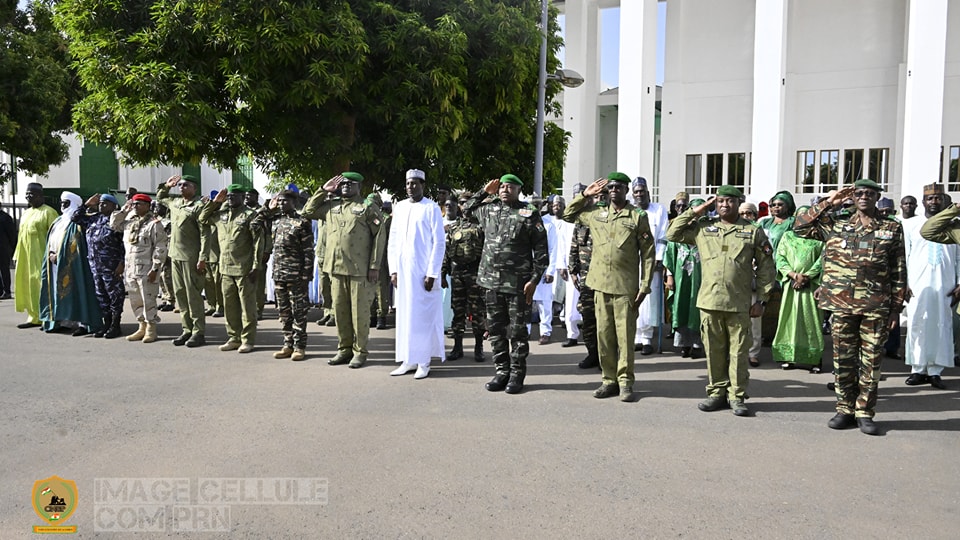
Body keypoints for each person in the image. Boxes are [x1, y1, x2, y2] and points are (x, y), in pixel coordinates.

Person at [794, 180, 906, 436]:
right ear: (852, 197)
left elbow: (898, 269)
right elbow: (800, 226)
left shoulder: (891, 227)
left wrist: (896, 308)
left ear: (877, 197)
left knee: (871, 361)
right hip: (841, 303)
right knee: (842, 360)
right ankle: (844, 408)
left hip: (875, 305)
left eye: (870, 193)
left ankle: (864, 411)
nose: (864, 196)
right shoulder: (837, 223)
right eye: (859, 193)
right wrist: (829, 202)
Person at [666, 185, 776, 417]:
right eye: (720, 201)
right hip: (709, 301)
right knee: (714, 351)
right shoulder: (703, 228)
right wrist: (697, 210)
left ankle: (736, 396)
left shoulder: (753, 231)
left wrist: (762, 300)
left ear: (739, 203)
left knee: (738, 353)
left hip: (739, 303)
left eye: (730, 201)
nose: (725, 205)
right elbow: (672, 234)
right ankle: (716, 393)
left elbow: (766, 267)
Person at [563, 173, 655, 402]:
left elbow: (648, 253)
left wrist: (645, 285)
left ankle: (625, 382)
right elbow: (568, 215)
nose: (614, 190)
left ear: (626, 190)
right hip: (600, 285)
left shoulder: (637, 216)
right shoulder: (596, 214)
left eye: (619, 187)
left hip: (625, 287)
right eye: (611, 187)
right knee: (604, 336)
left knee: (625, 338)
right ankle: (608, 380)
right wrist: (585, 195)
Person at [462, 174, 548, 394]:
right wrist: (484, 192)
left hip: (518, 285)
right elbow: (466, 210)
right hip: (491, 283)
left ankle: (517, 375)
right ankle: (501, 372)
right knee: (495, 331)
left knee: (518, 333)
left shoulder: (528, 213)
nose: (505, 190)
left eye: (510, 187)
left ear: (519, 190)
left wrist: (534, 280)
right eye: (502, 187)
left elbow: (541, 251)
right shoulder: (489, 209)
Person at [301, 172, 386, 368]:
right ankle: (344, 349)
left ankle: (360, 351)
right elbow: (307, 211)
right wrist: (323, 190)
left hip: (359, 270)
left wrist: (374, 266)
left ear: (359, 187)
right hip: (336, 268)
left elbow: (379, 236)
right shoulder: (332, 205)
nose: (346, 186)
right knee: (340, 312)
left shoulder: (367, 207)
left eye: (351, 184)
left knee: (359, 314)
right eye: (343, 184)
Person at [388, 169, 446, 379]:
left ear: (423, 185)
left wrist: (432, 273)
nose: (411, 187)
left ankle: (423, 361)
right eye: (408, 184)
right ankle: (408, 359)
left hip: (423, 273)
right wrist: (393, 270)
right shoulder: (400, 207)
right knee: (405, 316)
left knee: (422, 317)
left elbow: (439, 242)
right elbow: (393, 240)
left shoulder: (431, 208)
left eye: (415, 183)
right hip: (403, 272)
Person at [901, 184, 957, 389]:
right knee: (917, 323)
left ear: (944, 201)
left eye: (938, 198)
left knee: (942, 325)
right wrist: (904, 283)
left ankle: (935, 371)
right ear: (923, 202)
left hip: (946, 284)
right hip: (917, 284)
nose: (934, 201)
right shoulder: (911, 225)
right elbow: (904, 255)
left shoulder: (953, 225)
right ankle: (917, 369)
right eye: (930, 198)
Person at [199, 185, 265, 353]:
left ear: (242, 197)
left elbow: (258, 243)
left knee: (247, 307)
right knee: (229, 306)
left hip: (244, 268)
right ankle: (234, 337)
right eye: (228, 197)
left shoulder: (250, 215)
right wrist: (215, 203)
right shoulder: (221, 215)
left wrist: (256, 266)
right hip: (225, 268)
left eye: (234, 196)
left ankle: (248, 340)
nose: (230, 199)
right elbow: (202, 218)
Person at [256, 190, 315, 361]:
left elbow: (308, 251)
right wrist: (267, 209)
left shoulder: (302, 222)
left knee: (299, 312)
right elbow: (254, 225)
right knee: (284, 312)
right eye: (279, 201)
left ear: (294, 203)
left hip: (296, 275)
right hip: (279, 274)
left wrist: (306, 276)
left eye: (285, 201)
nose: (281, 204)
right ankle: (287, 344)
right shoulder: (275, 220)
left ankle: (299, 347)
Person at [39, 192, 103, 335]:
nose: (62, 205)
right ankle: (60, 321)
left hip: (75, 265)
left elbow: (77, 245)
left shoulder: (80, 221)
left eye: (66, 203)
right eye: (62, 202)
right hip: (54, 265)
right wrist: (51, 254)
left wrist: (60, 256)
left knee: (79, 291)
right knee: (57, 292)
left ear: (74, 204)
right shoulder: (58, 221)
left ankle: (82, 323)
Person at [157, 174, 208, 347]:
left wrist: (203, 257)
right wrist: (167, 185)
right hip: (175, 255)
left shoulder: (199, 206)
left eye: (186, 185)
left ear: (194, 188)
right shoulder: (176, 202)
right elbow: (160, 197)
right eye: (180, 185)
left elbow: (205, 234)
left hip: (191, 257)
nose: (181, 187)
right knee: (180, 295)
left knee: (193, 295)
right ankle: (187, 329)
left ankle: (198, 332)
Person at [772, 206, 825, 372]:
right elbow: (780, 257)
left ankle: (814, 359)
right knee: (790, 319)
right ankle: (789, 357)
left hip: (812, 286)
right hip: (791, 285)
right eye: (801, 216)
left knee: (811, 321)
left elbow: (823, 259)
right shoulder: (788, 236)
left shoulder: (819, 237)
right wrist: (794, 275)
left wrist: (807, 276)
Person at [110, 193, 168, 343]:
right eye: (134, 204)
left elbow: (160, 247)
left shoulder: (154, 224)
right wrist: (124, 210)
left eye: (139, 204)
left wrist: (155, 268)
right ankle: (141, 326)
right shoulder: (129, 222)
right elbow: (114, 224)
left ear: (148, 206)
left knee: (148, 300)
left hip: (146, 269)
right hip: (130, 269)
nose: (136, 206)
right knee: (135, 300)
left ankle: (151, 329)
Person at [442, 195, 486, 362]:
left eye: (467, 203)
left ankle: (478, 347)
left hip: (475, 273)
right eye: (461, 203)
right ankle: (457, 347)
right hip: (457, 274)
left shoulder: (481, 226)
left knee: (477, 311)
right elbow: (447, 252)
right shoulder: (454, 227)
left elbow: (487, 252)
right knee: (457, 311)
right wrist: (443, 273)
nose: (465, 206)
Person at [75, 193, 126, 338]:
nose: (101, 205)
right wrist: (86, 204)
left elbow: (125, 244)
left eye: (105, 203)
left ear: (114, 206)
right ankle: (107, 324)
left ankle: (115, 325)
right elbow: (76, 218)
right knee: (101, 296)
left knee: (115, 296)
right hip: (96, 266)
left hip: (112, 267)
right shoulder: (94, 219)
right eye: (100, 203)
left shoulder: (117, 221)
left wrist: (122, 263)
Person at [756, 191, 797, 364]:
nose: (776, 208)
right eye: (773, 205)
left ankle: (781, 338)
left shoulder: (792, 223)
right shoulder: (764, 222)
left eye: (780, 205)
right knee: (763, 301)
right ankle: (765, 336)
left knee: (781, 304)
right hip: (765, 266)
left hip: (784, 267)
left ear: (788, 206)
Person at [664, 198, 706, 359]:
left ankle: (697, 345)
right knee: (681, 308)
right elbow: (669, 255)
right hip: (681, 279)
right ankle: (684, 344)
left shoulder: (706, 234)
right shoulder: (678, 234)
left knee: (697, 309)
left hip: (700, 280)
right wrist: (669, 276)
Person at [631, 177, 668, 355]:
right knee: (633, 296)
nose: (639, 194)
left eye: (642, 191)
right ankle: (636, 337)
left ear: (648, 192)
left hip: (651, 261)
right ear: (633, 194)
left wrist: (658, 258)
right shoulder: (630, 211)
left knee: (648, 299)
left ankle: (647, 338)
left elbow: (663, 235)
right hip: (632, 261)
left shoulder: (659, 209)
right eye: (636, 192)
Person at [13, 183, 58, 328]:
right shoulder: (26, 213)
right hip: (25, 257)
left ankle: (46, 317)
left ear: (40, 195)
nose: (28, 196)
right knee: (28, 285)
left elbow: (56, 236)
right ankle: (33, 317)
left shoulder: (49, 212)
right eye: (27, 193)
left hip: (41, 256)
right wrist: (17, 255)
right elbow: (21, 236)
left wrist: (54, 253)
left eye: (31, 194)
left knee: (41, 285)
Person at [569, 185, 603, 369]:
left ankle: (606, 357)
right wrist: (572, 269)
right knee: (588, 317)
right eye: (596, 197)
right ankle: (592, 353)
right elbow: (574, 245)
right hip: (585, 277)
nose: (598, 200)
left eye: (602, 196)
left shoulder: (607, 219)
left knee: (605, 319)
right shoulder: (582, 220)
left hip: (604, 277)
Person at [553, 196, 581, 348]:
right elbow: (562, 243)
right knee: (571, 302)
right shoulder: (567, 220)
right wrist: (561, 265)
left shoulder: (592, 215)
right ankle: (572, 334)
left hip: (591, 266)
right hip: (572, 267)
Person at [531, 196, 558, 345]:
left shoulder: (548, 225)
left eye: (538, 205)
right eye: (532, 205)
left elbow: (553, 249)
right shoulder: (522, 222)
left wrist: (550, 271)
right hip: (526, 268)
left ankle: (545, 332)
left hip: (543, 268)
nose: (535, 208)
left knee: (544, 303)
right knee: (525, 303)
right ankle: (525, 331)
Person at [152, 202, 175, 312]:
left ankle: (171, 300)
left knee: (167, 276)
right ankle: (165, 298)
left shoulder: (168, 222)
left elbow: (170, 237)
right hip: (157, 252)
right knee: (160, 276)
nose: (156, 209)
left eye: (159, 207)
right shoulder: (155, 220)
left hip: (167, 250)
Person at [373, 200, 393, 329]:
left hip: (382, 257)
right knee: (373, 288)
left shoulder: (387, 220)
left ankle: (381, 316)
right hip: (372, 257)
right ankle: (373, 316)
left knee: (380, 288)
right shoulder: (370, 218)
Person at [0, 201, 16, 299]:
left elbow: (12, 234)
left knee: (4, 269)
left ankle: (7, 291)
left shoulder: (5, 218)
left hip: (3, 248)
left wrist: (11, 247)